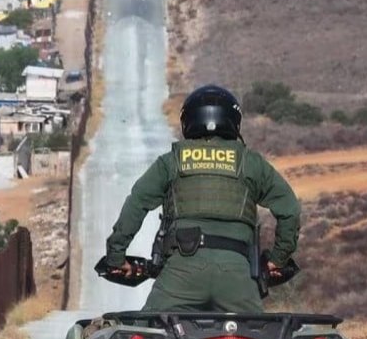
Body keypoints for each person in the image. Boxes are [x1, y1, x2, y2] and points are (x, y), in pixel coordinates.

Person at [103, 85, 300, 312]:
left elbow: (136, 204)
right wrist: (278, 258)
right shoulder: (252, 163)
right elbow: (290, 210)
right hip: (237, 276)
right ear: (234, 122)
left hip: (181, 273)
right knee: (258, 338)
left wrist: (116, 257)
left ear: (188, 121)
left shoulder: (171, 162)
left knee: (149, 335)